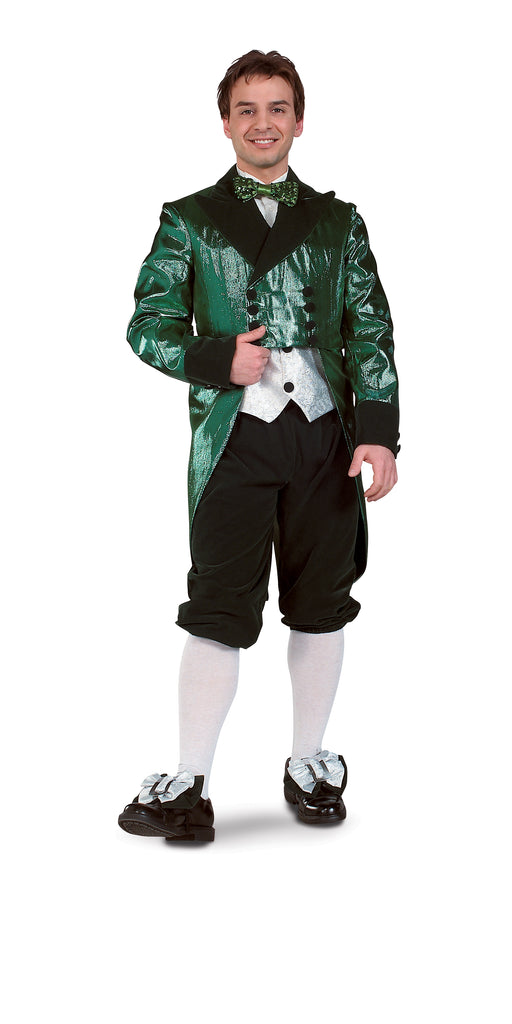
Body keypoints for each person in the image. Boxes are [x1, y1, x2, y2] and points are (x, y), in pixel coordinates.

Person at [118, 49, 399, 843]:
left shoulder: (340, 222)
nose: (263, 123)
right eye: (247, 109)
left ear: (299, 121)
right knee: (217, 605)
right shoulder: (189, 218)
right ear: (226, 123)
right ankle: (191, 780)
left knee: (322, 602)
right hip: (234, 441)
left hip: (324, 439)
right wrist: (217, 359)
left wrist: (379, 435)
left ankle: (309, 759)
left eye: (278, 108)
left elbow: (370, 330)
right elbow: (147, 324)